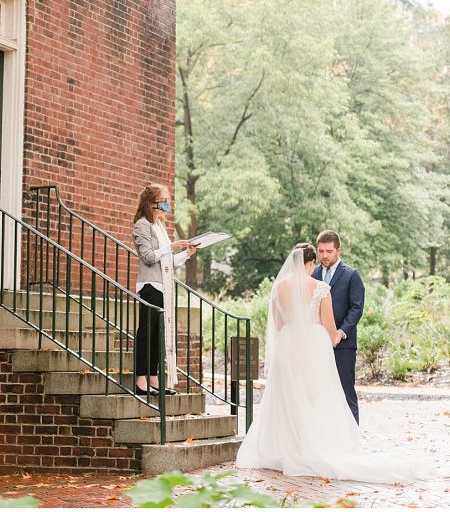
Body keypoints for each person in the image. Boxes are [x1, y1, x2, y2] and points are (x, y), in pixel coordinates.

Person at [236, 243, 422, 481]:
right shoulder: (320, 288)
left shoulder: (278, 288)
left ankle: (287, 448)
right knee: (315, 396)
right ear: (310, 263)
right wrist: (330, 338)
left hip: (288, 344)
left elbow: (279, 323)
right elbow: (329, 326)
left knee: (289, 397)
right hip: (313, 345)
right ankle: (313, 447)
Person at [131, 184, 196, 396]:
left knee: (157, 336)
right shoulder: (143, 225)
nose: (166, 205)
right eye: (163, 201)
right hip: (150, 286)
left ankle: (154, 379)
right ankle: (141, 380)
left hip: (163, 288)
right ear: (152, 204)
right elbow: (149, 256)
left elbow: (167, 260)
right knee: (146, 334)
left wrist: (185, 253)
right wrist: (171, 246)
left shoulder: (159, 227)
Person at [311, 230, 364, 423]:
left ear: (338, 250)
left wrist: (340, 332)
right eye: (321, 251)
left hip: (344, 345)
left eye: (329, 251)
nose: (324, 255)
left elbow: (356, 308)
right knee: (318, 392)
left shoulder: (352, 275)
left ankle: (352, 437)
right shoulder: (313, 273)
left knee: (345, 392)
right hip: (316, 344)